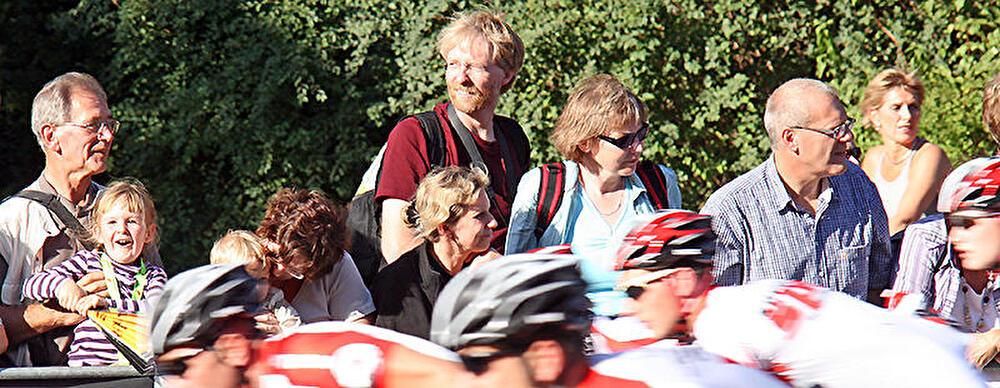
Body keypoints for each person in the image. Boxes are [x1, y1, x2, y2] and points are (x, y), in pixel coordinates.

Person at [614, 210, 987, 387]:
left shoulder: (719, 329)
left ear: (679, 281)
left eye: (636, 290)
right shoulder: (747, 297)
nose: (629, 308)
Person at [700, 78, 892, 303]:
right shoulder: (731, 212)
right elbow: (718, 311)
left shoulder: (857, 186)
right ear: (791, 139)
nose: (848, 138)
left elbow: (879, 284)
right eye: (835, 130)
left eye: (847, 125)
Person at [505, 74, 681, 317]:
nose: (638, 147)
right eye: (624, 140)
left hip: (644, 331)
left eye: (641, 135)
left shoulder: (660, 184)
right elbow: (514, 277)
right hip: (572, 334)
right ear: (585, 142)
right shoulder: (543, 188)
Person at [150, 264, 484, 388]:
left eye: (181, 366)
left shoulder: (311, 358)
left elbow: (455, 379)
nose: (174, 383)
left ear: (233, 346)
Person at [376, 10, 530, 264]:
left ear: (507, 75)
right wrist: (471, 269)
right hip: (439, 297)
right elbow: (398, 249)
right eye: (453, 65)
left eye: (474, 67)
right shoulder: (416, 135)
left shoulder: (513, 138)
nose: (461, 78)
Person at [0, 72, 131, 366]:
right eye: (93, 125)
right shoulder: (8, 223)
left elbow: (159, 301)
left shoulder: (125, 210)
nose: (108, 135)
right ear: (51, 136)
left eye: (109, 124)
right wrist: (58, 311)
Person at [20, 180, 166, 366]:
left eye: (131, 221)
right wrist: (62, 286)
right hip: (88, 372)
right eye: (112, 222)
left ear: (148, 233)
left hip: (135, 373)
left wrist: (107, 303)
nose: (122, 229)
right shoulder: (88, 261)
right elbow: (30, 285)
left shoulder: (153, 275)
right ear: (98, 233)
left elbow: (157, 312)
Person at [893, 157, 1000, 368]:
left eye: (968, 224)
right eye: (950, 223)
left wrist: (995, 338)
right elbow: (903, 328)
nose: (954, 237)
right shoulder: (927, 238)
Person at [371, 166, 496, 339]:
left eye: (489, 211)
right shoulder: (401, 287)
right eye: (479, 216)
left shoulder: (486, 265)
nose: (493, 223)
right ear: (444, 227)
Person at [256, 188, 374, 323]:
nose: (278, 270)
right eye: (275, 256)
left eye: (294, 270)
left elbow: (360, 327)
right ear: (267, 235)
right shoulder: (241, 257)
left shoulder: (337, 265)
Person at [859, 69, 951, 236]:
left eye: (913, 107)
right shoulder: (873, 158)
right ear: (875, 116)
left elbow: (906, 219)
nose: (907, 115)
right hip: (885, 249)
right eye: (896, 108)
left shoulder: (929, 155)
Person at [209, 230, 301, 335]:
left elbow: (294, 325)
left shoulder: (273, 299)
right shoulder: (219, 303)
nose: (257, 287)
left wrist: (280, 332)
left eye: (263, 279)